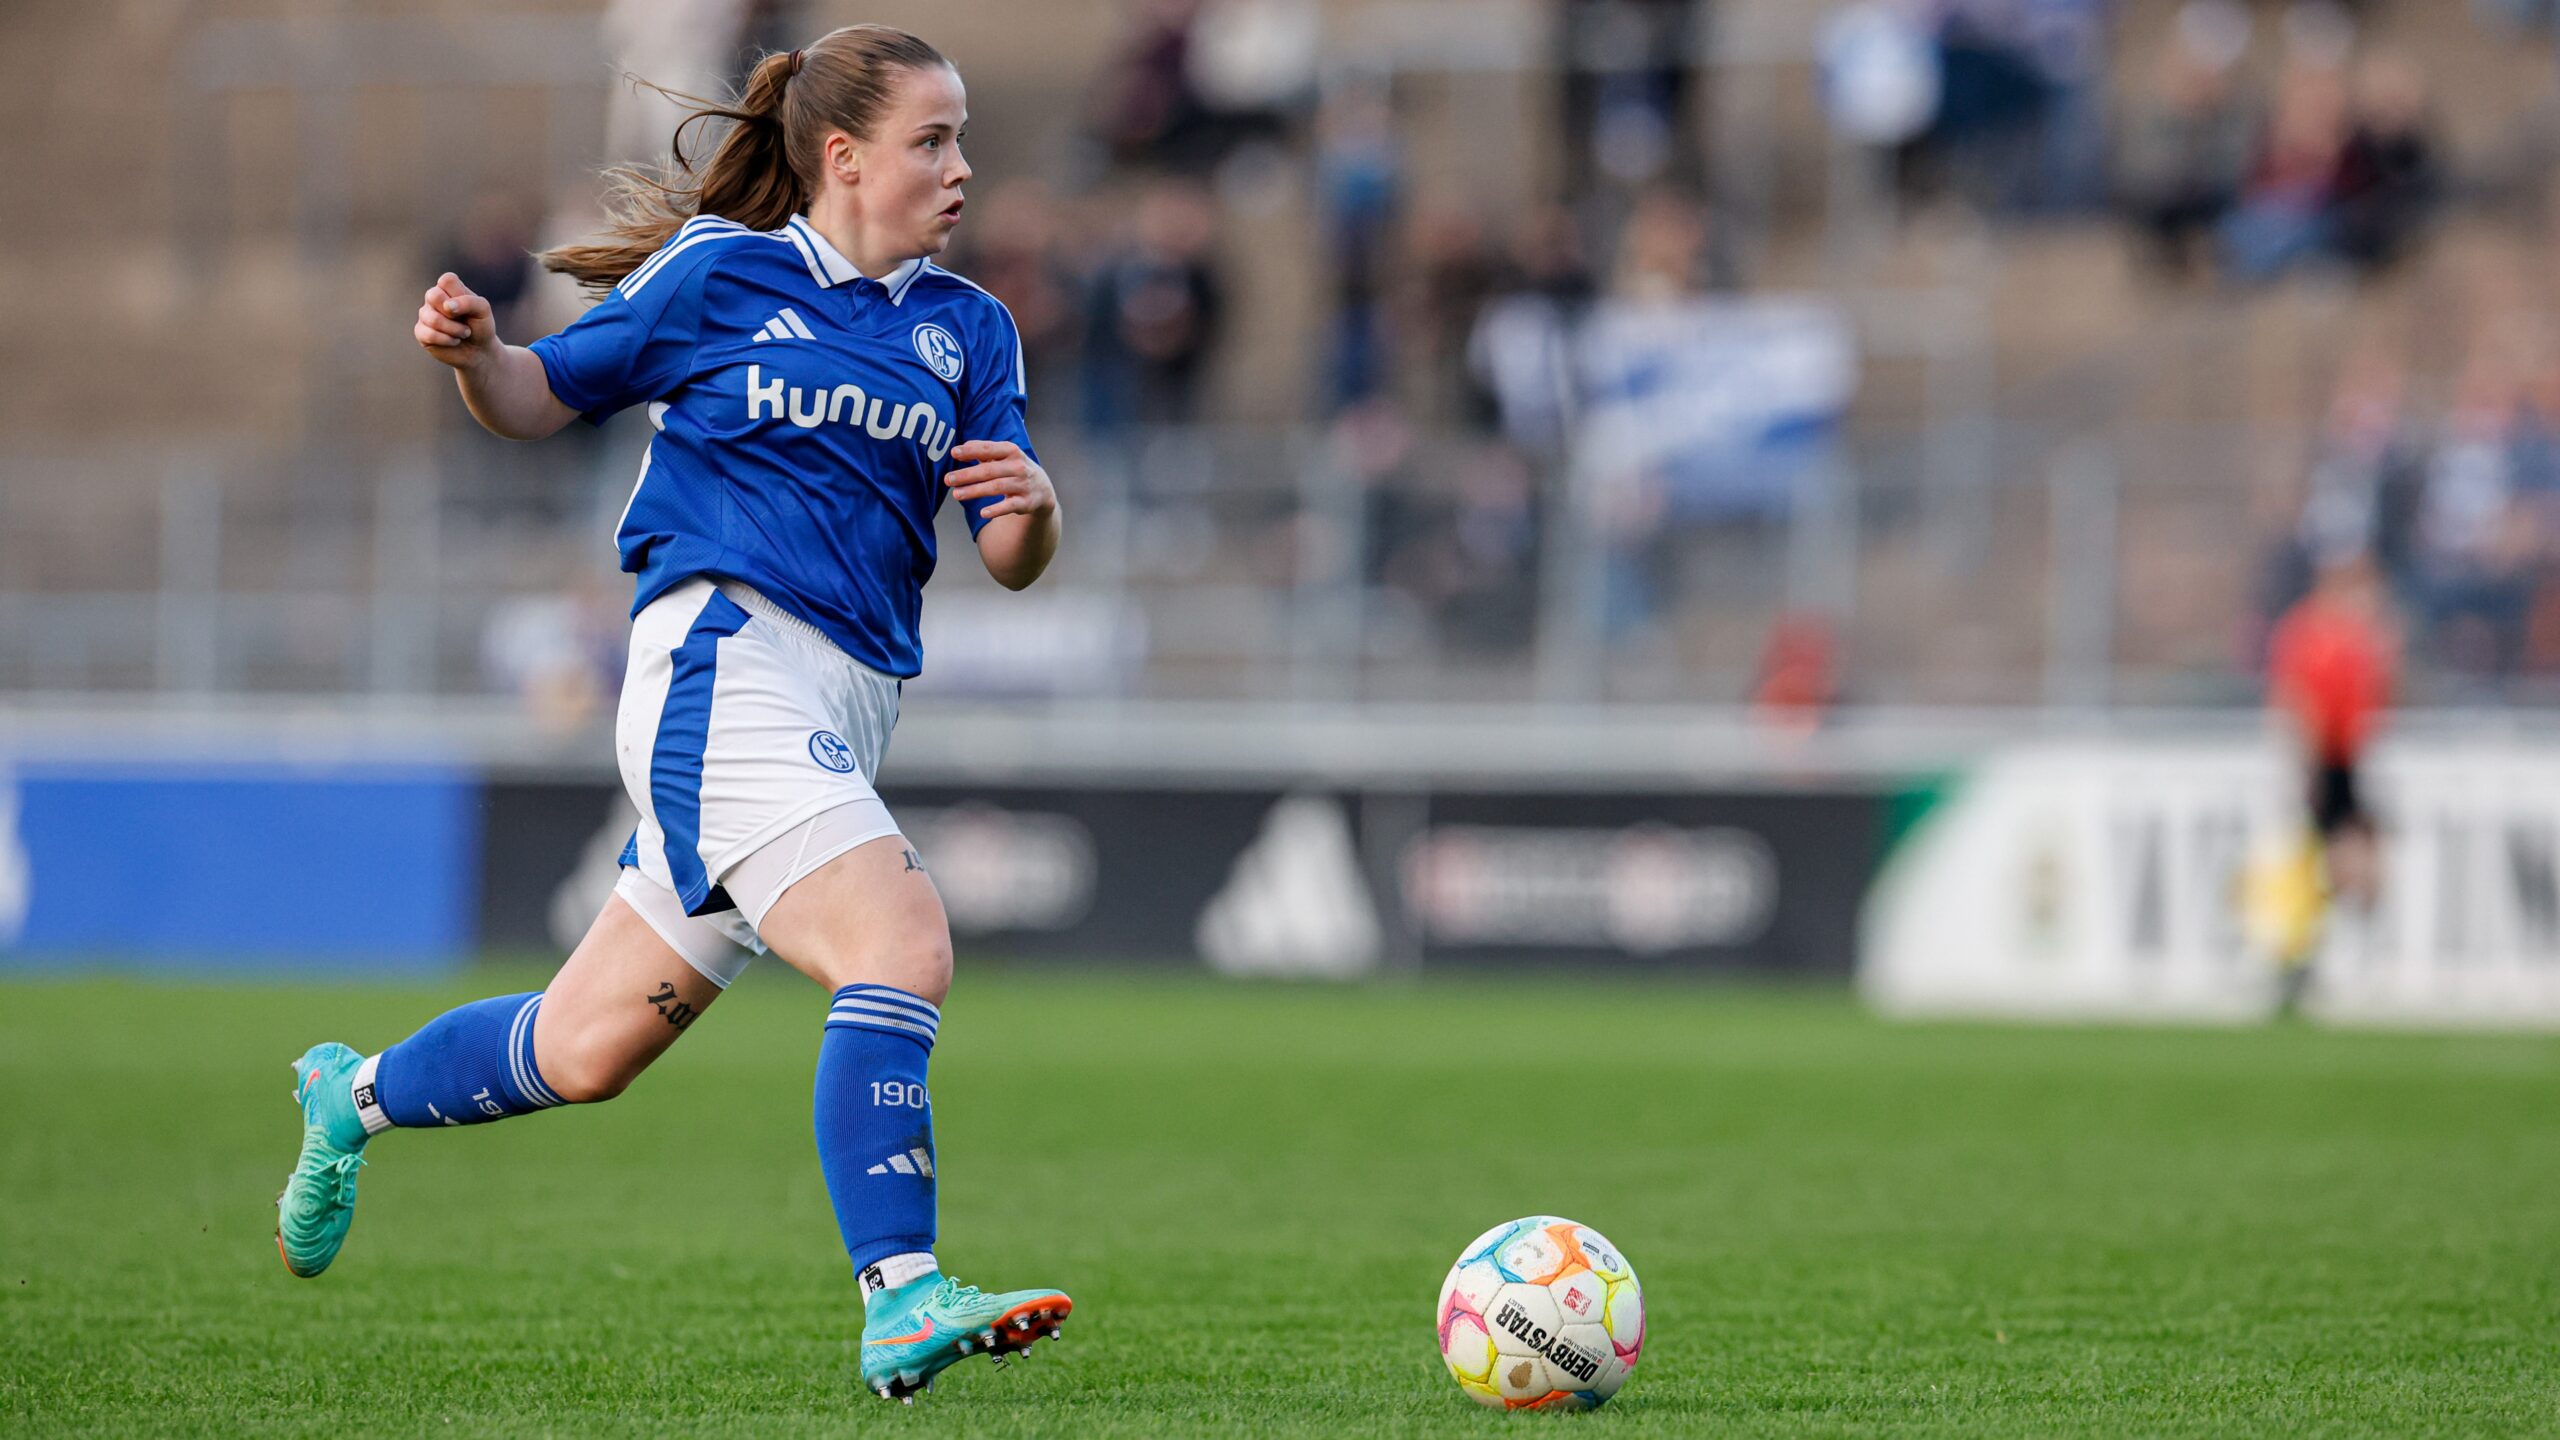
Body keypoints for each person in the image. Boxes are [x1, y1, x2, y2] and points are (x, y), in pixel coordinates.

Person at [273, 26, 1070, 1403]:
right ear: (842, 157)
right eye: (931, 140)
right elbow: (540, 395)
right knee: (902, 938)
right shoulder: (723, 276)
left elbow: (1006, 547)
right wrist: (479, 355)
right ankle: (901, 1293)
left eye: (961, 139)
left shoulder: (968, 328)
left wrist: (1039, 518)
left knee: (581, 1053)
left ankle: (345, 1099)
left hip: (845, 706)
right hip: (723, 670)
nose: (960, 167)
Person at [2261, 554, 2397, 1011]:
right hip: (2327, 763)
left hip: (2341, 762)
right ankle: (2312, 958)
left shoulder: (2353, 637)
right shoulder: (2315, 635)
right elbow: (2298, 703)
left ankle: (2315, 957)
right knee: (2342, 863)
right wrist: (2307, 767)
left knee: (2345, 862)